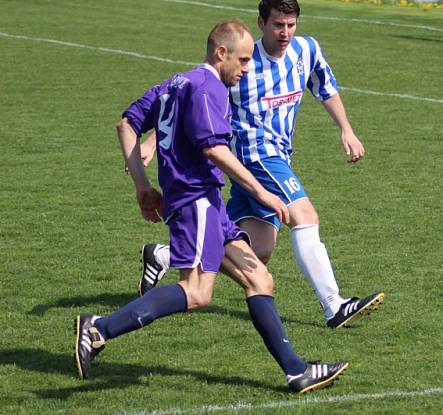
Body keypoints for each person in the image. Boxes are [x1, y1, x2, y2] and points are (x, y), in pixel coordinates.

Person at [74, 20, 348, 395]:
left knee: (259, 278)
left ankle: (296, 371)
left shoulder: (175, 83)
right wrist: (264, 194)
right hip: (196, 201)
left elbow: (126, 125)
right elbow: (214, 149)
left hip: (206, 204)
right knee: (197, 292)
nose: (247, 68)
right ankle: (98, 328)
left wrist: (142, 187)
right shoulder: (210, 88)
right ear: (222, 53)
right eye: (244, 60)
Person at [138, 0, 384, 330]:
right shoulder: (243, 64)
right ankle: (334, 305)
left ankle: (165, 254)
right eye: (277, 25)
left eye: (291, 25)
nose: (285, 33)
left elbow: (325, 87)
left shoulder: (307, 50)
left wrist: (347, 129)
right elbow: (195, 102)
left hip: (279, 153)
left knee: (258, 250)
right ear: (261, 24)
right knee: (304, 215)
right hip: (253, 155)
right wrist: (152, 141)